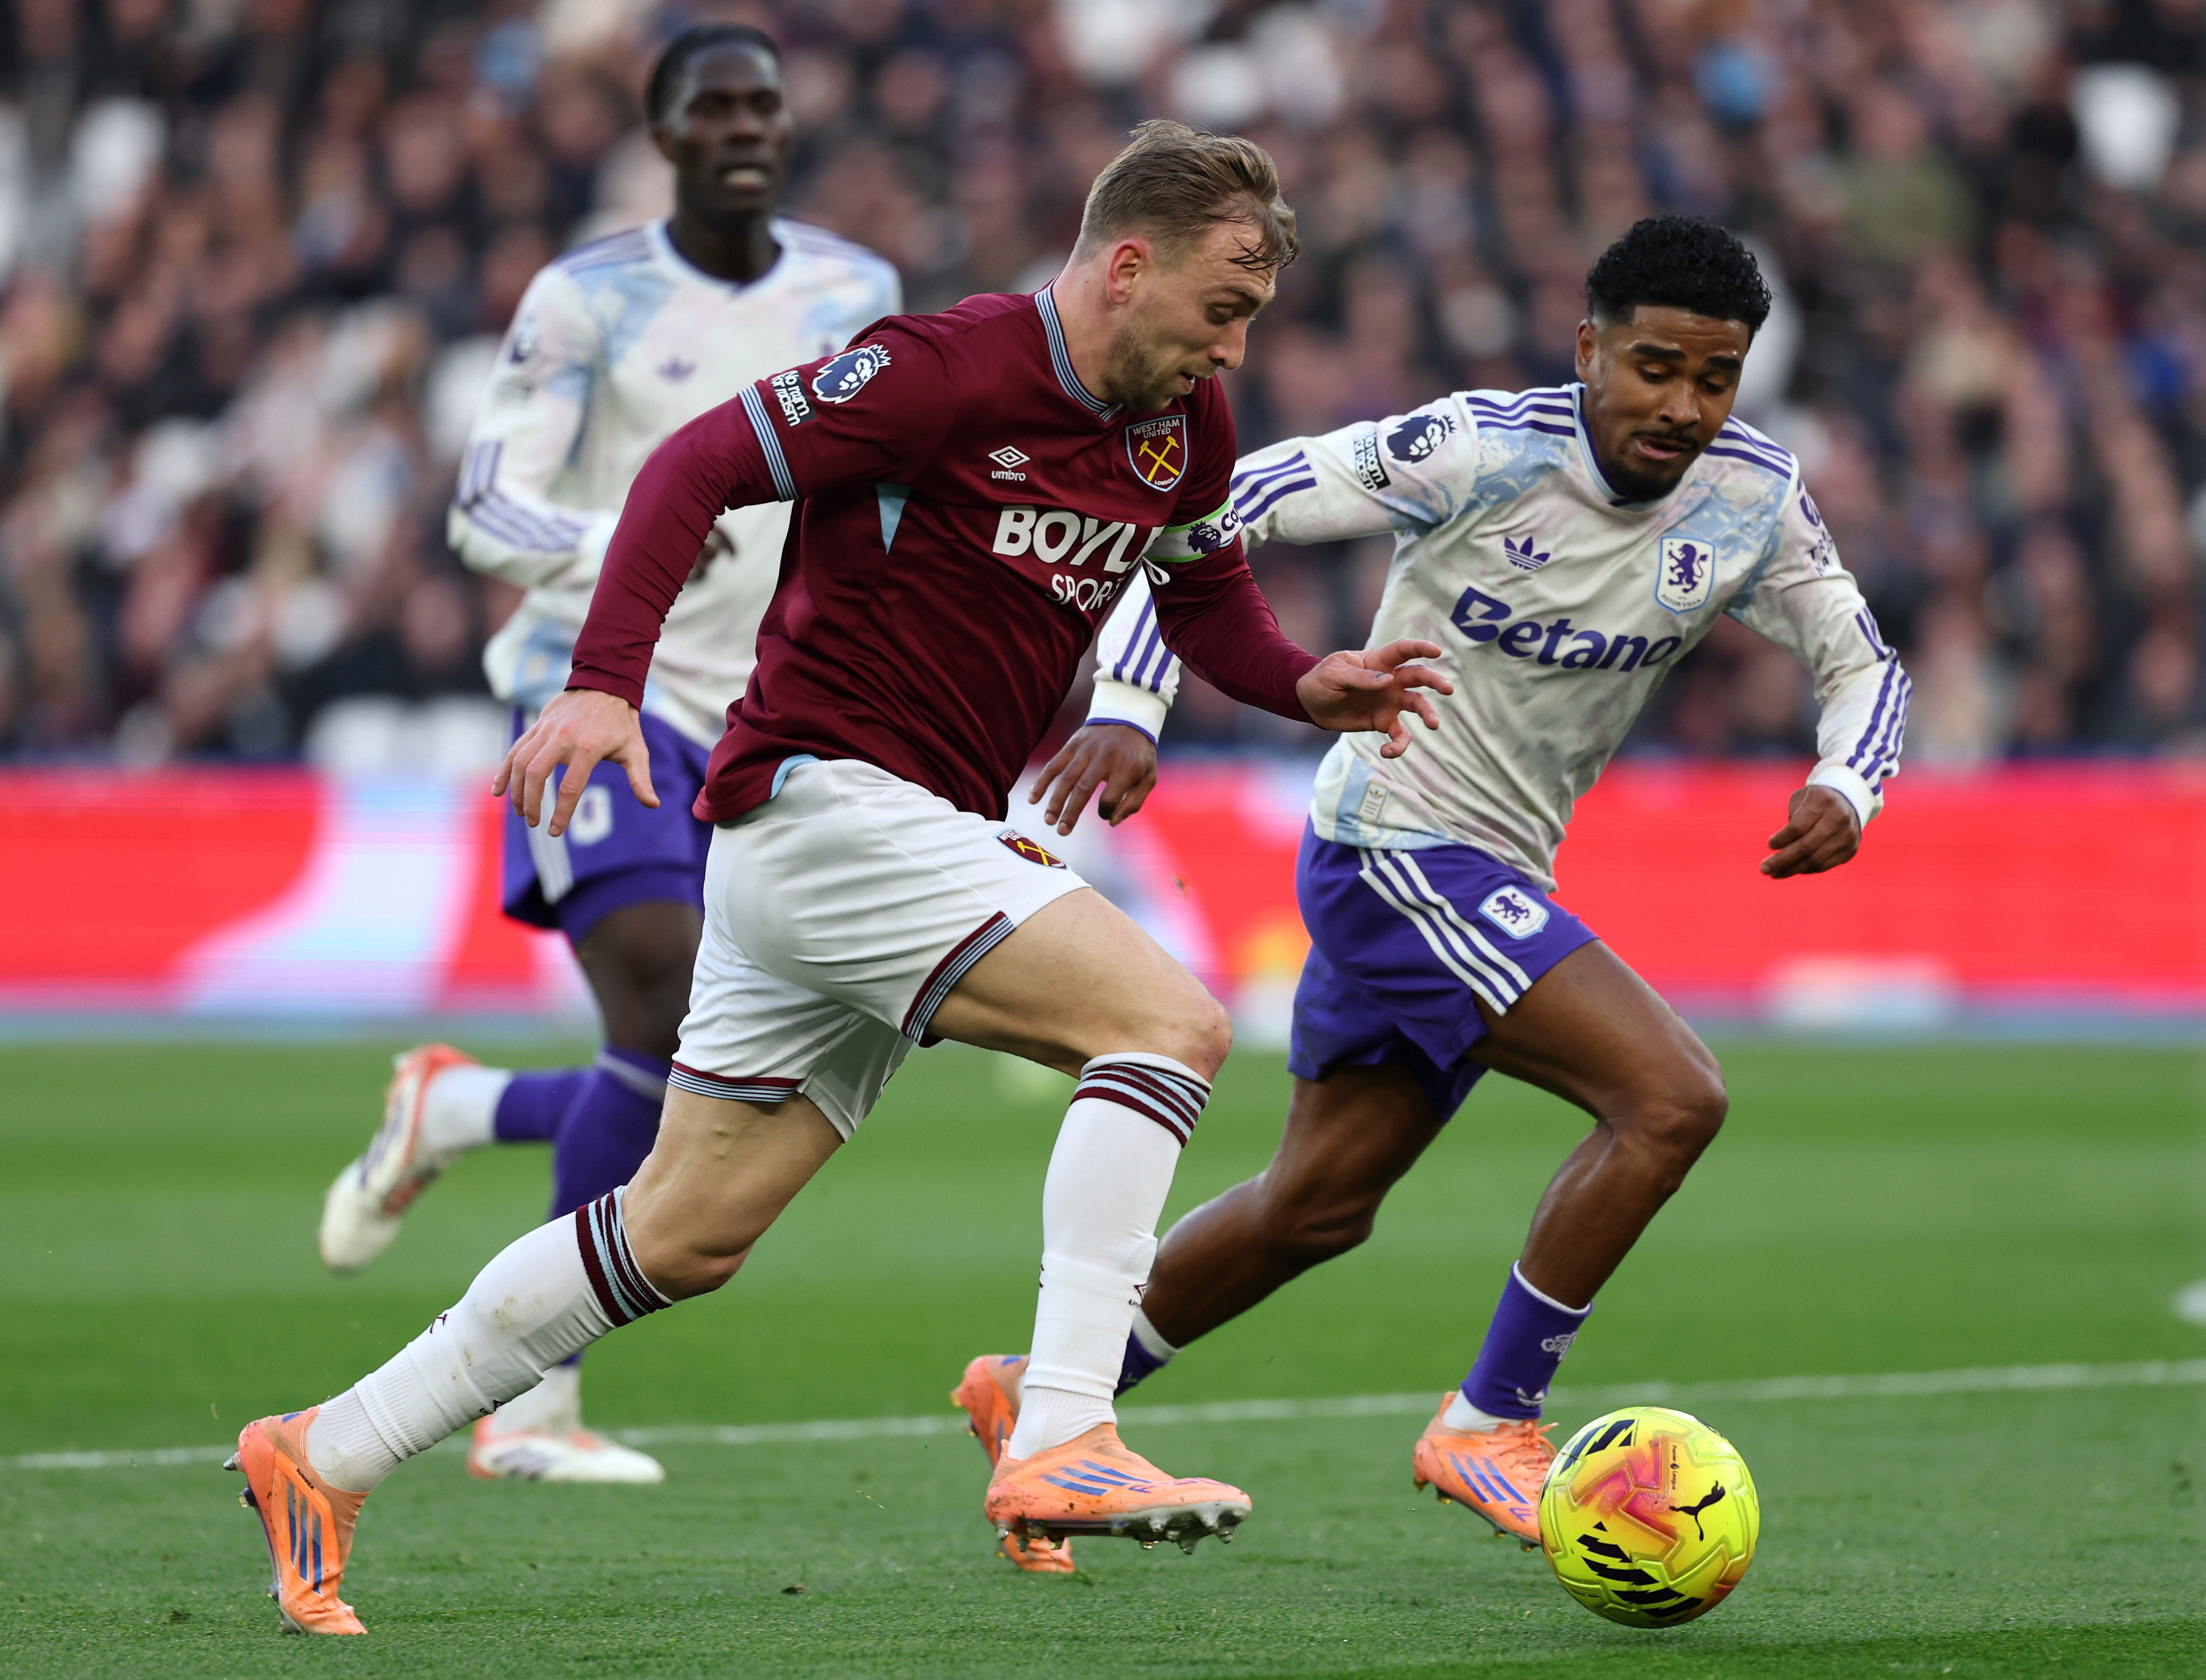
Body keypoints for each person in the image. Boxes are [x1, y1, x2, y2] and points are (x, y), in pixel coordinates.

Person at [228, 119, 1455, 1636]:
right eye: (1221, 305)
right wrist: (606, 682)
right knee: (1166, 1023)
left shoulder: (1181, 426)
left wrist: (1302, 681)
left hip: (882, 838)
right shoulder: (938, 371)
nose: (1235, 344)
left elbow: (1205, 605)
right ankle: (1065, 1420)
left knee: (680, 1232)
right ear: (1124, 265)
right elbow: (691, 467)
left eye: (1250, 316)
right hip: (820, 801)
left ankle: (323, 1448)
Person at [961, 214, 1909, 1565]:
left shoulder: (1753, 496)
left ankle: (1040, 1387)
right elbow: (1216, 504)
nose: (1683, 405)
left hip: (1494, 865)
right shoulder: (1479, 447)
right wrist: (1129, 698)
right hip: (1394, 850)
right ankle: (1492, 1419)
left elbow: (1864, 660)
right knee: (1672, 1096)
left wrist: (1848, 781)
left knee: (1317, 1205)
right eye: (1652, 367)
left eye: (1715, 378)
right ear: (1588, 348)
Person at [313, 24, 900, 1485]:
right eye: (714, 107)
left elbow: (880, 484)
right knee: (657, 970)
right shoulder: (585, 298)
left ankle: (453, 1107)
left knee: (692, 1057)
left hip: (779, 708)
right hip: (602, 691)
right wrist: (629, 533)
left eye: (765, 101)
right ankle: (529, 1406)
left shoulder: (856, 292)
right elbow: (484, 507)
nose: (745, 126)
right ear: (662, 132)